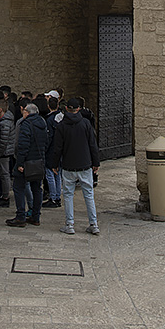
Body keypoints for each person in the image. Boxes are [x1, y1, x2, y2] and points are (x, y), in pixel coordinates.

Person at [52, 97, 100, 235]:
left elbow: (58, 148)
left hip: (68, 165)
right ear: (78, 109)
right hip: (85, 164)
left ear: (67, 108)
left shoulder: (62, 126)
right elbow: (92, 144)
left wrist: (54, 164)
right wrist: (95, 162)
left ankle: (70, 224)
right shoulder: (85, 124)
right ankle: (93, 223)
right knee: (89, 194)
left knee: (67, 195)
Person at [6, 102, 47, 228]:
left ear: (27, 112)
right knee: (37, 189)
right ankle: (36, 216)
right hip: (39, 161)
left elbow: (23, 145)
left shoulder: (26, 124)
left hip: (27, 162)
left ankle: (20, 216)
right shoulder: (42, 123)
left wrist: (19, 163)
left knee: (19, 188)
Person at [0, 98, 15, 207]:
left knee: (4, 174)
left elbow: (3, 141)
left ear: (0, 109)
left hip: (3, 153)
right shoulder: (7, 121)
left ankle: (5, 197)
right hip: (5, 152)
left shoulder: (4, 123)